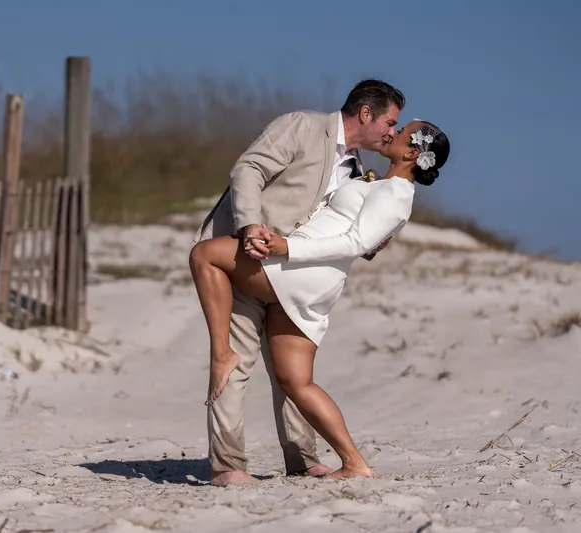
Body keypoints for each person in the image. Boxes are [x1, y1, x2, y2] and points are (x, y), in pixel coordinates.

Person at [190, 119, 451, 479]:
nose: (393, 133)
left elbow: (358, 243)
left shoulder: (398, 193)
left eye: (402, 131)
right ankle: (354, 463)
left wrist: (287, 246)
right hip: (309, 279)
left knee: (205, 254)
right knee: (295, 381)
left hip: (300, 271)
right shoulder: (384, 184)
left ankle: (222, 352)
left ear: (412, 152)